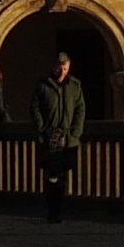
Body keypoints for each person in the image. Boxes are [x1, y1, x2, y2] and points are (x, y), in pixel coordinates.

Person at [32, 50, 89, 226]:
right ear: (54, 67)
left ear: (68, 67)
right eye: (59, 67)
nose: (61, 71)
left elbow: (80, 110)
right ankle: (53, 211)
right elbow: (35, 109)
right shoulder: (43, 86)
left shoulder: (75, 86)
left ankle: (56, 210)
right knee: (53, 175)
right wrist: (42, 131)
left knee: (61, 175)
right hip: (49, 138)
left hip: (68, 139)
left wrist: (75, 133)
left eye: (64, 68)